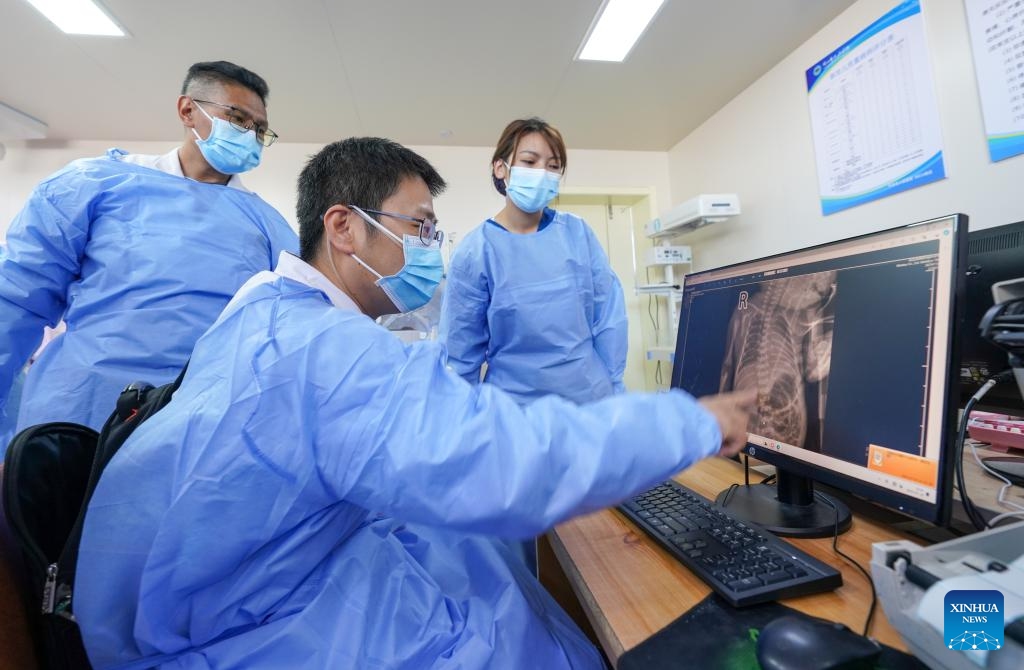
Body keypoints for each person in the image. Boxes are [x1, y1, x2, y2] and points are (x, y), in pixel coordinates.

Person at [76, 137, 756, 669]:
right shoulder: (325, 349)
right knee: (526, 623)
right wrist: (689, 419)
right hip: (246, 627)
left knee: (496, 571)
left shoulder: (265, 311)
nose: (433, 247)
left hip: (214, 592)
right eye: (422, 227)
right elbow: (500, 460)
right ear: (343, 226)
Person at [0, 60, 297, 433]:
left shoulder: (270, 228)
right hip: (78, 414)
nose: (249, 134)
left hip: (203, 426)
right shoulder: (95, 185)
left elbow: (288, 338)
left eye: (259, 129)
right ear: (188, 110)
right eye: (237, 118)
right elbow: (15, 302)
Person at [440, 117, 628, 405]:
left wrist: (614, 389)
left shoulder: (578, 235)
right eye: (529, 162)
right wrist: (461, 419)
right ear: (500, 167)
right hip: (515, 412)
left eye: (553, 166)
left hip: (589, 401)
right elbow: (460, 353)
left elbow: (608, 319)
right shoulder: (475, 252)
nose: (542, 173)